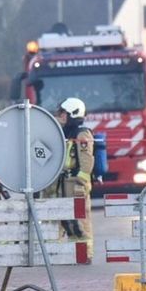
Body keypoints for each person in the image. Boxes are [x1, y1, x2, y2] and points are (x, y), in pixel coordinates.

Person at [53, 96, 95, 261]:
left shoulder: (81, 133)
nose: (60, 116)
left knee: (80, 221)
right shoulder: (64, 132)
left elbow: (86, 160)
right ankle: (74, 253)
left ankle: (86, 254)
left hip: (76, 183)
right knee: (68, 220)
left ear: (72, 114)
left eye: (63, 113)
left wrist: (81, 182)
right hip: (64, 182)